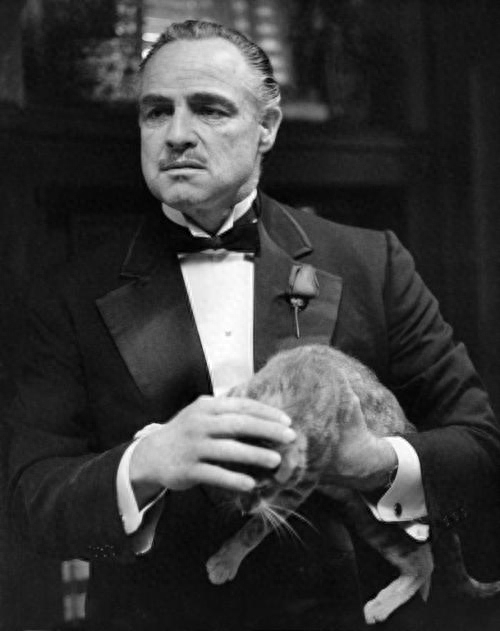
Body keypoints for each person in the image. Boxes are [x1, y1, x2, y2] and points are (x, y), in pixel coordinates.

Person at [6, 19, 500, 631]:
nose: (176, 134)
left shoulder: (372, 263)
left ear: (267, 127)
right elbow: (29, 502)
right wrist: (145, 464)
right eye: (157, 112)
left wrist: (374, 462)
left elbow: (480, 452)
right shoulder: (69, 292)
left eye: (209, 109)